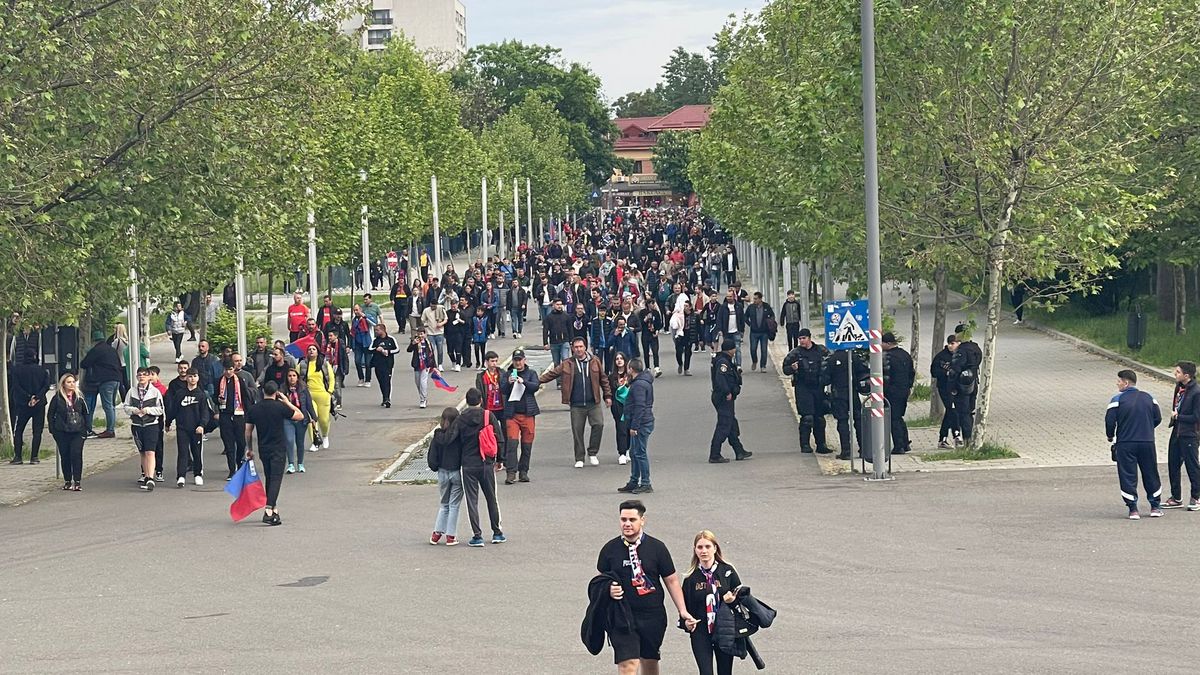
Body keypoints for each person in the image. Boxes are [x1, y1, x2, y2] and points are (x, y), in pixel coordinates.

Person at [595, 500, 697, 675]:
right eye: (623, 519)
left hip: (652, 615)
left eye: (632, 519)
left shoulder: (657, 548)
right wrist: (607, 590)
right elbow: (599, 582)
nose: (627, 524)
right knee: (628, 664)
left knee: (649, 662)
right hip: (622, 615)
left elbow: (671, 581)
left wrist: (683, 610)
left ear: (642, 520)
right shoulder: (610, 549)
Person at [538, 337, 612, 468]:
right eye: (576, 347)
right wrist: (536, 381)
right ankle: (579, 457)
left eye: (581, 347)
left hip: (593, 402)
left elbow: (603, 378)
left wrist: (607, 395)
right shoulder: (567, 363)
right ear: (572, 348)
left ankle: (593, 452)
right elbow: (553, 374)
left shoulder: (595, 361)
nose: (578, 349)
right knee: (577, 431)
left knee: (599, 425)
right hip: (576, 404)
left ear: (585, 347)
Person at [450, 388, 505, 547]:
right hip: (486, 462)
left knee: (472, 500)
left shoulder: (460, 420)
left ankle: (477, 535)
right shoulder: (488, 416)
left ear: (467, 401)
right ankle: (497, 532)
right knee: (491, 498)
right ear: (481, 399)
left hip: (468, 464)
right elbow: (499, 438)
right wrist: (499, 459)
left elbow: (453, 440)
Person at [245, 380, 305, 526]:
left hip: (263, 447)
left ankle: (274, 509)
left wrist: (249, 448)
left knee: (270, 478)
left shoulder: (254, 409)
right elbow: (300, 415)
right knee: (276, 479)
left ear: (263, 392)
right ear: (276, 392)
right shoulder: (280, 407)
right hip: (278, 447)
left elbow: (248, 431)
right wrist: (286, 401)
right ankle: (268, 510)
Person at [682, 531, 743, 675]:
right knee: (705, 672)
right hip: (701, 631)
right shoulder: (691, 578)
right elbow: (685, 608)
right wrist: (686, 623)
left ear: (715, 548)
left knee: (725, 671)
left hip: (724, 629)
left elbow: (742, 601)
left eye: (707, 547)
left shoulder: (728, 571)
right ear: (695, 550)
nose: (704, 551)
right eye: (700, 547)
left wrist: (732, 601)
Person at [1105, 370, 1163, 519]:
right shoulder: (1149, 398)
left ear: (1126, 383)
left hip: (1126, 443)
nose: (1117, 384)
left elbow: (1110, 421)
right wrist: (1147, 428)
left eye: (1119, 381)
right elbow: (1158, 417)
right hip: (1147, 442)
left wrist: (1110, 435)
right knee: (1151, 472)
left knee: (1128, 474)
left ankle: (1133, 509)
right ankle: (1155, 507)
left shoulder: (1117, 399)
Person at [782, 329, 831, 454]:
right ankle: (805, 445)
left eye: (804, 338)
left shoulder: (821, 350)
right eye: (800, 339)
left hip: (818, 387)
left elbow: (829, 363)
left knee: (819, 418)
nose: (802, 341)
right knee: (807, 417)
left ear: (809, 338)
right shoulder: (795, 353)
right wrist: (792, 368)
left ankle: (821, 445)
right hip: (803, 388)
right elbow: (785, 369)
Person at [164, 367, 212, 487]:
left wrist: (202, 425)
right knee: (183, 452)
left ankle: (198, 474)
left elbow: (205, 412)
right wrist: (168, 422)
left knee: (196, 452)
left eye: (194, 376)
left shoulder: (201, 395)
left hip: (196, 428)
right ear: (187, 378)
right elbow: (173, 409)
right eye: (190, 376)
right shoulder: (180, 393)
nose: (192, 379)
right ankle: (181, 476)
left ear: (198, 378)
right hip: (182, 427)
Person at [1163, 360, 1200, 510]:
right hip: (1177, 431)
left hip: (1190, 434)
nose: (1175, 374)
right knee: (1173, 464)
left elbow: (1196, 417)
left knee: (1192, 466)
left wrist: (1178, 416)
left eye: (1178, 372)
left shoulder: (1196, 392)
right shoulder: (1179, 387)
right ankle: (1176, 497)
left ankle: (1196, 496)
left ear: (1187, 375)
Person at [501, 349, 541, 484]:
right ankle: (511, 473)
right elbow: (502, 389)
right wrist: (509, 382)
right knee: (512, 444)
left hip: (528, 414)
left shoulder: (531, 373)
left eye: (520, 359)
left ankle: (523, 472)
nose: (518, 362)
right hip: (512, 415)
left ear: (525, 360)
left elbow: (535, 386)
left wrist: (523, 382)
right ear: (513, 361)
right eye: (516, 360)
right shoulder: (507, 374)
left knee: (527, 445)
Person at [710, 338, 751, 463]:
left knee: (731, 425)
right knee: (724, 426)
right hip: (723, 397)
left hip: (725, 397)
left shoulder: (725, 360)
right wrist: (727, 392)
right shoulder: (723, 362)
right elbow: (720, 379)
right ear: (731, 349)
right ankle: (714, 454)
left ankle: (739, 451)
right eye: (734, 348)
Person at [124, 367, 165, 491]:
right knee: (142, 452)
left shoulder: (155, 392)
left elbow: (160, 409)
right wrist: (134, 410)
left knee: (150, 451)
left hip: (151, 424)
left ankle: (150, 477)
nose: (142, 377)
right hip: (137, 425)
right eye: (139, 375)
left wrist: (148, 410)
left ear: (148, 377)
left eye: (144, 375)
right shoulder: (131, 391)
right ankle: (146, 475)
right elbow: (126, 407)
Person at [619, 359, 656, 495]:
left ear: (631, 369)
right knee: (635, 452)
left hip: (641, 423)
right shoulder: (640, 382)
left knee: (640, 453)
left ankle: (645, 483)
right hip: (643, 421)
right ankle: (634, 481)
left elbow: (640, 406)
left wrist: (634, 426)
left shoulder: (639, 385)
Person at [428, 407, 464, 545]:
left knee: (444, 504)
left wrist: (435, 467)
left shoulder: (437, 435)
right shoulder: (459, 436)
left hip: (442, 471)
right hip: (456, 471)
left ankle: (436, 534)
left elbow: (432, 458)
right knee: (454, 504)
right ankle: (451, 536)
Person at [217, 357, 257, 479]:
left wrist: (248, 414)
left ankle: (240, 465)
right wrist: (217, 401)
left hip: (239, 415)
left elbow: (246, 398)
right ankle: (231, 470)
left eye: (230, 369)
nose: (228, 372)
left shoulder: (240, 380)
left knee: (241, 443)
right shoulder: (219, 381)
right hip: (225, 415)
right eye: (226, 370)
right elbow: (214, 397)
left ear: (233, 369)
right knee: (229, 444)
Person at [48, 373, 89, 490]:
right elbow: (51, 414)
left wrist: (86, 429)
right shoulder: (57, 398)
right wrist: (53, 430)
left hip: (78, 431)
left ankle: (77, 481)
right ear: (63, 384)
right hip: (62, 431)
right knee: (65, 455)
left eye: (73, 382)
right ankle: (67, 480)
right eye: (68, 382)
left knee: (76, 454)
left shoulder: (79, 397)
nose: (71, 384)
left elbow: (86, 413)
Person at [80, 330, 122, 439]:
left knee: (107, 405)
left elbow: (84, 364)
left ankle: (109, 430)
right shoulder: (111, 350)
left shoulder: (96, 350)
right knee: (111, 406)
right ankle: (111, 428)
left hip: (104, 380)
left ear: (94, 341)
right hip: (116, 379)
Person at [828, 348, 868, 461]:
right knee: (859, 420)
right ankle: (864, 449)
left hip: (839, 394)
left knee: (842, 421)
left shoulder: (832, 359)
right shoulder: (854, 357)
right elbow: (864, 371)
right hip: (853, 393)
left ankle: (846, 451)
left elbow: (825, 379)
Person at [8, 358, 49, 464]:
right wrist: (37, 397)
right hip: (39, 405)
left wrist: (28, 397)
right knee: (37, 431)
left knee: (19, 430)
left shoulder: (17, 370)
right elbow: (46, 386)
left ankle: (18, 456)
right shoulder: (42, 370)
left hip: (23, 404)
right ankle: (34, 457)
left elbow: (16, 386)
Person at [881, 332, 915, 455]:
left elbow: (885, 376)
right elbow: (912, 372)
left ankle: (899, 446)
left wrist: (883, 391)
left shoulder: (887, 357)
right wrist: (909, 386)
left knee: (893, 418)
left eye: (882, 343)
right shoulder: (905, 354)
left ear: (888, 343)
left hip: (892, 392)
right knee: (899, 417)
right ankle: (905, 443)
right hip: (904, 390)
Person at [949, 323, 983, 445]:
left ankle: (968, 440)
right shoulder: (976, 348)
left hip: (961, 385)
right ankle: (973, 438)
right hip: (973, 382)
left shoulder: (962, 350)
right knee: (970, 411)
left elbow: (956, 369)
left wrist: (951, 386)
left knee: (964, 413)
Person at [282, 368, 318, 474]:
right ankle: (291, 464)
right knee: (289, 440)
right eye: (289, 376)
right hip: (288, 418)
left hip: (302, 418)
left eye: (294, 376)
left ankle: (300, 463)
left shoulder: (303, 389)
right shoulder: (283, 389)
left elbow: (308, 404)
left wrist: (314, 418)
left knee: (300, 442)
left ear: (297, 377)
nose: (292, 378)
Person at [302, 344, 335, 448]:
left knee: (324, 420)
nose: (311, 351)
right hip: (309, 395)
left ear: (317, 351)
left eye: (313, 349)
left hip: (323, 395)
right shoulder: (303, 364)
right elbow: (296, 377)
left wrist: (329, 391)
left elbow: (331, 378)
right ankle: (315, 442)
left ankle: (325, 436)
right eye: (309, 349)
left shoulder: (324, 363)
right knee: (312, 419)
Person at [930, 335, 961, 448]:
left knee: (951, 410)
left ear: (958, 343)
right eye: (949, 343)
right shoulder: (941, 356)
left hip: (958, 387)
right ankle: (956, 434)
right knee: (952, 409)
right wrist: (946, 373)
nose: (950, 346)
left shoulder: (961, 355)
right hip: (944, 387)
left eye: (953, 343)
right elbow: (934, 371)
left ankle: (942, 438)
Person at [369, 323, 400, 408]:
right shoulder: (375, 340)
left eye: (377, 330)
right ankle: (384, 397)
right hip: (378, 364)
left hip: (388, 364)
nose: (376, 332)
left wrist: (388, 351)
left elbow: (397, 349)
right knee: (381, 381)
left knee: (387, 381)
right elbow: (369, 349)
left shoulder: (391, 339)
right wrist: (376, 349)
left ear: (383, 330)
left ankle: (387, 398)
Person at [609, 352, 632, 467]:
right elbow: (608, 391)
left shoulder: (630, 375)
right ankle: (622, 453)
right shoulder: (612, 376)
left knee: (629, 428)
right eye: (617, 359)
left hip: (629, 405)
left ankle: (628, 449)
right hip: (617, 405)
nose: (619, 360)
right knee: (621, 428)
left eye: (621, 358)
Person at [406, 327, 436, 409]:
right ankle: (422, 396)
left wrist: (434, 366)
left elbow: (431, 354)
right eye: (419, 334)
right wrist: (413, 343)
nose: (420, 335)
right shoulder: (415, 341)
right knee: (418, 382)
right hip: (417, 364)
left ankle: (423, 399)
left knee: (423, 382)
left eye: (422, 334)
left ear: (425, 334)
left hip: (426, 365)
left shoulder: (428, 343)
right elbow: (408, 350)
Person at [714, 288, 745, 368]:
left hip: (736, 331)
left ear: (734, 296)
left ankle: (738, 365)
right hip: (726, 332)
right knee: (727, 350)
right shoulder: (723, 307)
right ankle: (729, 364)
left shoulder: (739, 306)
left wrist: (742, 331)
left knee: (737, 349)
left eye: (730, 296)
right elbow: (719, 319)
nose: (729, 298)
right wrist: (720, 330)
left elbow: (742, 319)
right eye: (727, 296)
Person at [745, 292, 774, 373]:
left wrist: (769, 323)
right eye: (754, 298)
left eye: (756, 298)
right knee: (753, 349)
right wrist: (750, 324)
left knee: (764, 350)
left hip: (764, 332)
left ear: (760, 299)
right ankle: (754, 361)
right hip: (754, 332)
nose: (754, 300)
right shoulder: (751, 307)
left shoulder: (766, 306)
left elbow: (772, 315)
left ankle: (763, 366)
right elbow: (745, 316)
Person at [542, 298, 572, 374]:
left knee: (565, 360)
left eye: (560, 304)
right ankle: (558, 382)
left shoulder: (566, 316)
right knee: (556, 363)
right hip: (554, 342)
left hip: (564, 341)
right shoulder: (548, 317)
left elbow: (570, 329)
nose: (559, 306)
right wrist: (545, 343)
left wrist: (572, 341)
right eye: (557, 304)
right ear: (553, 305)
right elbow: (545, 330)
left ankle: (566, 379)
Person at [350, 304, 377, 387]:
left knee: (368, 363)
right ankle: (361, 378)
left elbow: (374, 323)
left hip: (367, 342)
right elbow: (352, 331)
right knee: (357, 361)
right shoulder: (354, 320)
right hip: (358, 343)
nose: (356, 312)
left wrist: (365, 317)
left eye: (357, 310)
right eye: (354, 310)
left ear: (361, 310)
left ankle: (368, 380)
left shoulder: (366, 317)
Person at [638, 298, 664, 377]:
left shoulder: (656, 313)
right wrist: (645, 319)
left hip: (653, 334)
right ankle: (647, 368)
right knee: (646, 351)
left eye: (654, 303)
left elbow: (659, 323)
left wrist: (657, 330)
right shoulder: (642, 312)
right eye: (652, 304)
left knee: (655, 351)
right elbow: (640, 324)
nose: (653, 305)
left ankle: (656, 367)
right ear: (648, 304)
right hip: (645, 334)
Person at [325, 329, 350, 411]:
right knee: (328, 386)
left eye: (331, 336)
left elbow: (344, 358)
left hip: (338, 368)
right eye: (328, 336)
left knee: (337, 386)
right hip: (328, 368)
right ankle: (331, 403)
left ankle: (339, 403)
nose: (329, 337)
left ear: (336, 336)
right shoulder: (327, 345)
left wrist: (345, 369)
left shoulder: (341, 345)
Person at [421, 296, 448, 369]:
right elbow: (423, 320)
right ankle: (432, 364)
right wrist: (426, 326)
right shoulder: (426, 310)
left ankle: (440, 364)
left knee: (440, 349)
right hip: (430, 333)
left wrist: (441, 324)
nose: (433, 307)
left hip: (439, 332)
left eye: (434, 306)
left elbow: (446, 319)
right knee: (431, 350)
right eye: (432, 306)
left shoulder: (441, 308)